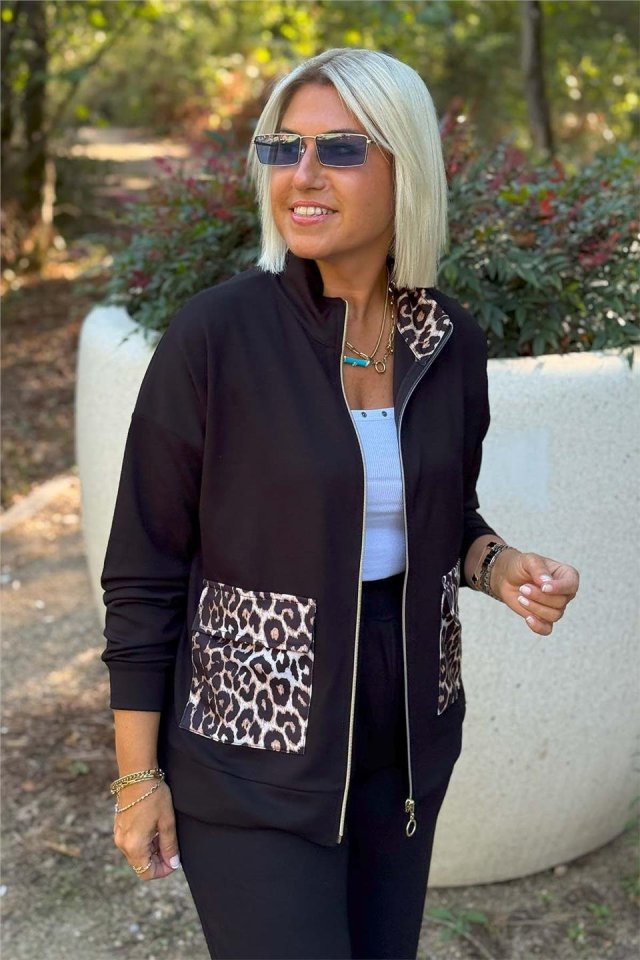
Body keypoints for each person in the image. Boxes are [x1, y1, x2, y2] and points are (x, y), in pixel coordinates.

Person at [100, 47, 580, 960]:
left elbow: (444, 517)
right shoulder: (216, 338)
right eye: (285, 149)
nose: (304, 174)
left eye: (342, 149)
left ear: (406, 168)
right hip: (252, 752)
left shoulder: (448, 341)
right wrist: (136, 779)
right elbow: (143, 571)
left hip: (406, 739)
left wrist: (499, 565)